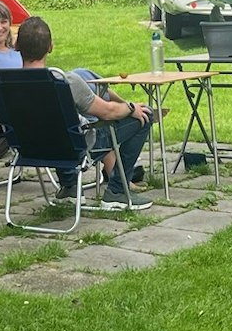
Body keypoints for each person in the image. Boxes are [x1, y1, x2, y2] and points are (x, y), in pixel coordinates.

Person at [12, 14, 155, 210]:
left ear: (16, 46)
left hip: (29, 148)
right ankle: (117, 191)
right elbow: (107, 112)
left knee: (56, 130)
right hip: (73, 148)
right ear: (50, 47)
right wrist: (131, 108)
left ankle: (70, 187)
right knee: (146, 115)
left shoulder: (6, 83)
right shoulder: (64, 81)